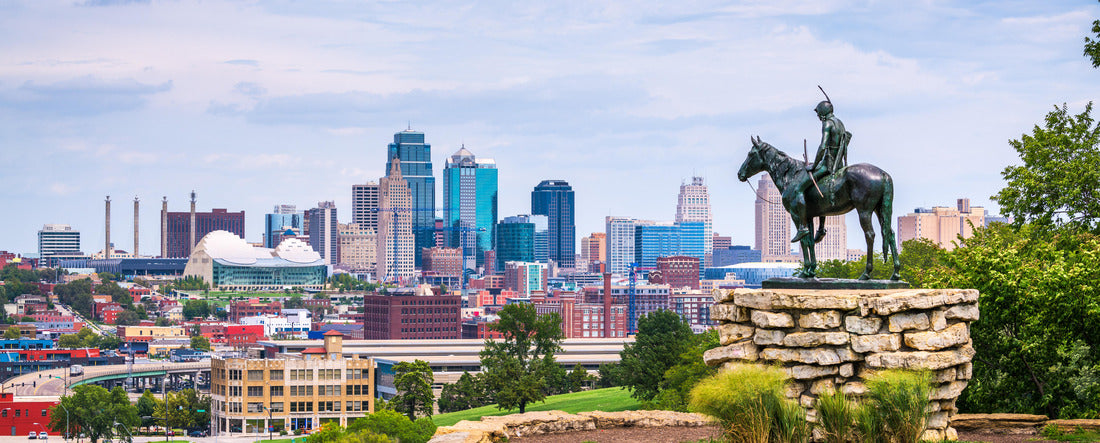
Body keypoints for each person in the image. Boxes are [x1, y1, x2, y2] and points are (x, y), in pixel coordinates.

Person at [788, 99, 849, 243]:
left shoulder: (827, 124)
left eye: (818, 112)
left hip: (827, 165)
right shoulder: (839, 123)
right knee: (819, 190)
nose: (817, 116)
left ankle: (803, 227)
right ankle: (821, 228)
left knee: (798, 189)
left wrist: (814, 165)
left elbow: (823, 146)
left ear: (823, 111)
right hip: (838, 164)